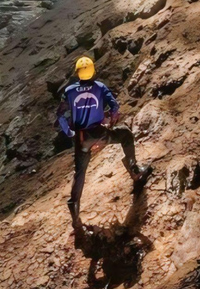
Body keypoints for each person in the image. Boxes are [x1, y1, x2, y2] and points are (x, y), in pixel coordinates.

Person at [55, 55, 152, 229]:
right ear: (93, 72)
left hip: (82, 140)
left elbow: (60, 115)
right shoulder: (100, 87)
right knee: (125, 135)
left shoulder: (69, 91)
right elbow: (115, 108)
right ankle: (135, 170)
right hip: (100, 134)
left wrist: (69, 132)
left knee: (80, 174)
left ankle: (75, 212)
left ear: (77, 74)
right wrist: (111, 121)